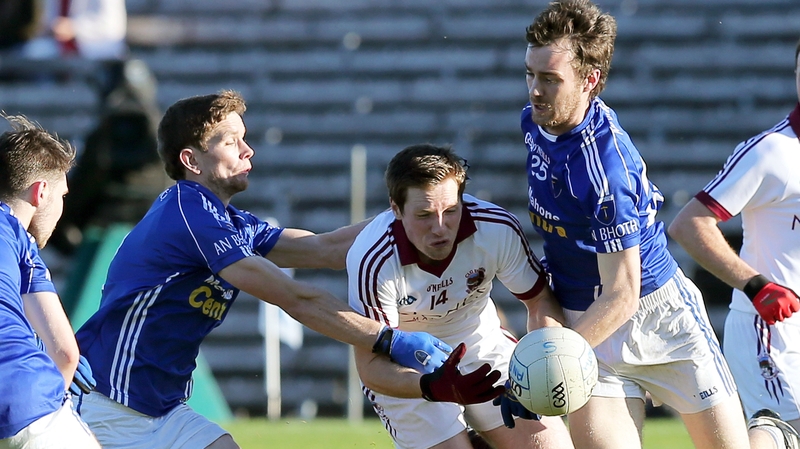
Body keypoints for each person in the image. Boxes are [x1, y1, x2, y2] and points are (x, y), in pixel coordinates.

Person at [73, 91, 498, 449]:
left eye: (245, 138)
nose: (247, 150)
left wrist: (418, 214)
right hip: (107, 403)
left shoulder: (228, 221)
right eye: (230, 141)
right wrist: (390, 339)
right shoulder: (187, 211)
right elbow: (294, 298)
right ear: (192, 159)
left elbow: (325, 248)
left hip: (162, 409)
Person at [496, 1, 780, 448]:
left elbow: (622, 293)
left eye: (550, 79)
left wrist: (553, 359)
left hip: (657, 315)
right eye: (530, 74)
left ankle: (773, 434)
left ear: (589, 81)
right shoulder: (536, 123)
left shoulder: (606, 171)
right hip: (586, 320)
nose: (534, 91)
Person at [347, 143, 574, 449]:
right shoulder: (373, 259)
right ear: (396, 209)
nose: (440, 228)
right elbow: (371, 366)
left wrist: (541, 363)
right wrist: (433, 386)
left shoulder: (495, 228)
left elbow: (539, 301)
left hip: (482, 345)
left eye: (451, 211)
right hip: (406, 368)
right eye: (424, 215)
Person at [668, 37, 800, 449]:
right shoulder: (773, 152)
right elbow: (689, 224)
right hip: (771, 329)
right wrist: (755, 284)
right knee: (781, 432)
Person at [0, 114, 100, 447]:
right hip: (23, 399)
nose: (61, 209)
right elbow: (65, 353)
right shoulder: (17, 236)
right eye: (63, 196)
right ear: (41, 192)